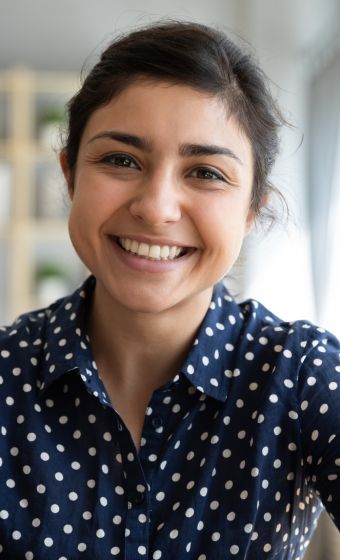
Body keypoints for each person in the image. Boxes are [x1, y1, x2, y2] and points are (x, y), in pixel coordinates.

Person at [0, 20, 339, 560]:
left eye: (205, 172)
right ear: (70, 176)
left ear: (253, 208)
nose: (156, 208)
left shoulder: (304, 374)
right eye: (120, 160)